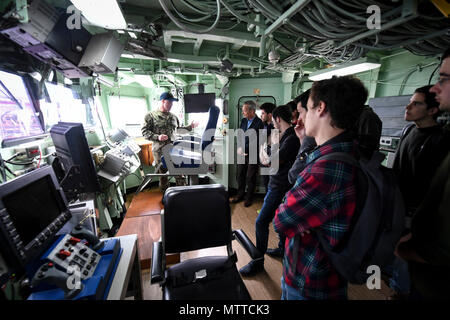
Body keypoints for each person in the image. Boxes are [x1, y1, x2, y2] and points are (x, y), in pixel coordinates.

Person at [273, 76, 368, 300]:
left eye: (306, 108)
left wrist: (298, 214)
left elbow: (281, 220)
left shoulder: (325, 169)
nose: (302, 117)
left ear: (321, 108)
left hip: (310, 281)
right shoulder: (346, 151)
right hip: (326, 275)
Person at [396, 48, 450, 300]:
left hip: (418, 217)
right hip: (400, 208)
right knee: (401, 267)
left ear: (432, 111)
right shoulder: (409, 132)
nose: (408, 106)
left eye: (416, 104)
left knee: (415, 271)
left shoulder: (441, 141)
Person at [239, 105, 299, 276]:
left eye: (273, 120)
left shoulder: (291, 138)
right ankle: (281, 248)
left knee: (260, 222)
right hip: (276, 183)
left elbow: (270, 160)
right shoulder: (284, 136)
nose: (272, 123)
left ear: (278, 119)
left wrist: (264, 154)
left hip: (280, 186)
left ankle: (257, 262)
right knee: (280, 217)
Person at [141, 91, 197, 193]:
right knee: (163, 176)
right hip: (159, 151)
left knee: (180, 173)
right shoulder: (150, 116)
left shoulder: (173, 117)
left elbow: (178, 129)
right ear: (162, 101)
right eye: (169, 102)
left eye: (172, 103)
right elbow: (144, 132)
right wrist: (157, 137)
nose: (171, 105)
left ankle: (182, 195)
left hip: (174, 150)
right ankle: (166, 197)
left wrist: (190, 127)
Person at [230, 100, 264, 207]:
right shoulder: (243, 121)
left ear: (252, 111)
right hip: (242, 152)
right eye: (243, 110)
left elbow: (258, 141)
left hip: (252, 153)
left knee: (250, 177)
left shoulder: (259, 123)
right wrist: (240, 147)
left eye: (244, 111)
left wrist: (245, 149)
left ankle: (249, 198)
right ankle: (240, 195)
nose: (243, 113)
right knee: (240, 175)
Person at [287, 89, 317, 186]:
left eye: (300, 112)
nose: (299, 118)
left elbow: (294, 176)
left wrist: (305, 139)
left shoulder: (311, 139)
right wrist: (302, 138)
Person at [259, 102, 276, 192]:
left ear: (269, 115)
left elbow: (275, 146)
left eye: (263, 113)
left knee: (272, 184)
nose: (261, 115)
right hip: (264, 160)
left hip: (271, 162)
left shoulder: (275, 127)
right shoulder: (264, 126)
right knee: (266, 183)